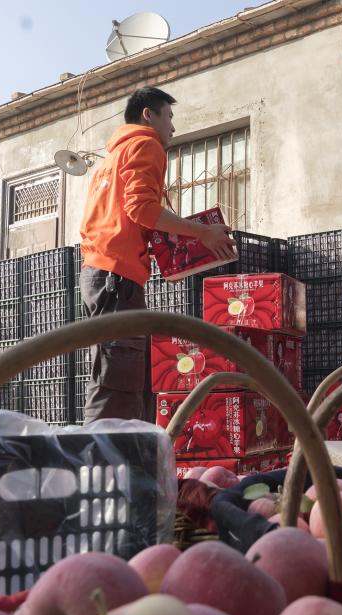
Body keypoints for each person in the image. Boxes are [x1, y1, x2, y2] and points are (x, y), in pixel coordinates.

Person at [78, 86, 235, 423]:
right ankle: (99, 466)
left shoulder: (112, 158)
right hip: (116, 280)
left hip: (105, 274)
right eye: (170, 118)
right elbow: (143, 209)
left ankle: (133, 461)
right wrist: (203, 234)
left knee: (132, 381)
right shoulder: (146, 143)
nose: (173, 129)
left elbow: (124, 217)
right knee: (116, 387)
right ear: (149, 115)